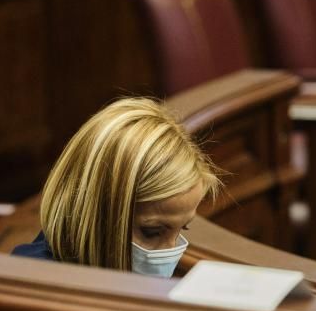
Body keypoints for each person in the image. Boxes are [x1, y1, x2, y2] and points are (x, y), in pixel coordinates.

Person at [12, 97, 221, 277]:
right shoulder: (34, 285)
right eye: (152, 232)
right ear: (95, 211)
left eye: (182, 228)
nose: (169, 254)